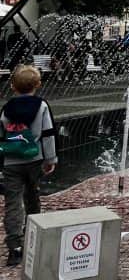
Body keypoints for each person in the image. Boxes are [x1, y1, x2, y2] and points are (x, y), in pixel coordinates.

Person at [1, 65, 57, 266]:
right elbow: (48, 134)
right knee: (33, 196)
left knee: (13, 203)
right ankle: (33, 234)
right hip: (35, 160)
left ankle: (14, 248)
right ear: (38, 85)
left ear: (13, 86)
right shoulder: (41, 106)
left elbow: (1, 135)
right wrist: (51, 159)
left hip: (11, 162)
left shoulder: (7, 108)